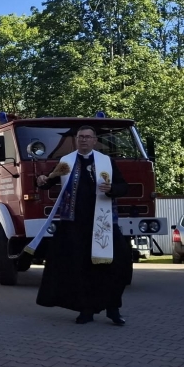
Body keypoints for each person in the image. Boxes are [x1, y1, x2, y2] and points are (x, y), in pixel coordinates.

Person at [34, 124, 133, 325]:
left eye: (88, 137)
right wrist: (41, 180)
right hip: (74, 225)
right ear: (76, 140)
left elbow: (123, 187)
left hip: (103, 224)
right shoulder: (66, 161)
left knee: (115, 265)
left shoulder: (106, 161)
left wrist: (112, 189)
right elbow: (48, 182)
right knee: (80, 268)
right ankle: (85, 310)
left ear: (95, 140)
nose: (84, 140)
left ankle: (113, 309)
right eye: (80, 137)